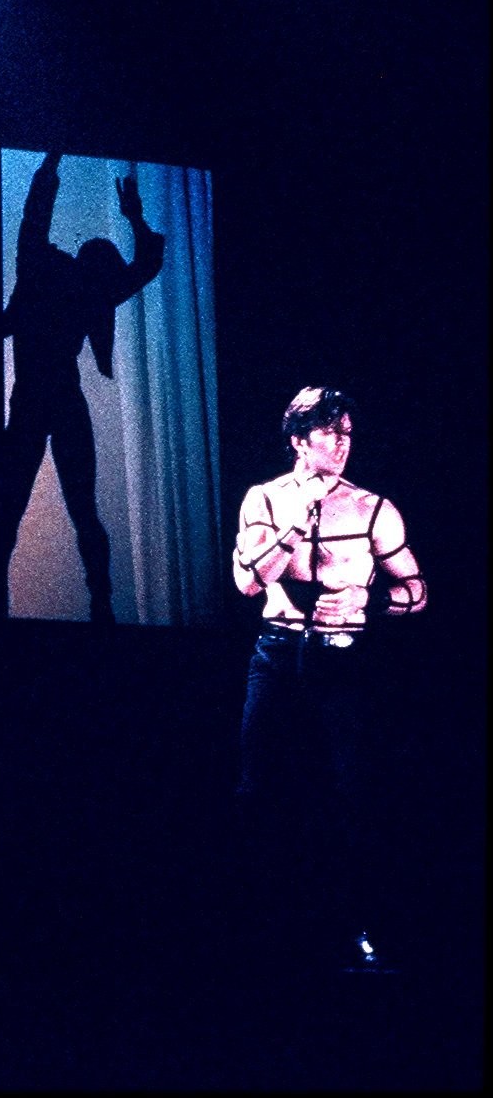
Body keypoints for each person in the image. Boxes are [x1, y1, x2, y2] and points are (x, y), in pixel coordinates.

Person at [230, 386, 426, 969]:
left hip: (342, 659)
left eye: (347, 434)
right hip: (277, 653)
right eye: (328, 433)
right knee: (259, 785)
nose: (341, 445)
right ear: (298, 440)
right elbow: (248, 582)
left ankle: (356, 923)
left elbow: (417, 591)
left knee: (349, 790)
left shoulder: (371, 508)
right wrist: (297, 522)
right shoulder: (264, 500)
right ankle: (261, 921)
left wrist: (368, 599)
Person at [0, 152, 165, 623]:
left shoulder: (59, 276)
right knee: (59, 509)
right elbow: (145, 265)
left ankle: (100, 607)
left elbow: (35, 217)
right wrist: (133, 217)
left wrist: (53, 162)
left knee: (39, 509)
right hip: (51, 400)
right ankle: (100, 606)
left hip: (41, 400)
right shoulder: (76, 284)